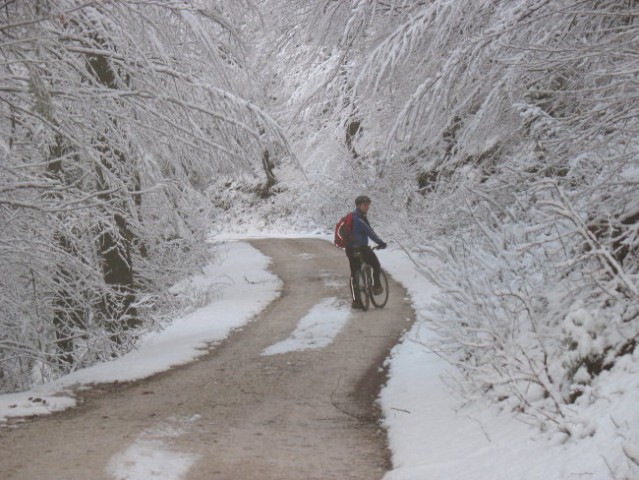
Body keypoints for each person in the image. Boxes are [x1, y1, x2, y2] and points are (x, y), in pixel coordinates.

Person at [345, 195, 387, 309]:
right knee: (376, 265)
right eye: (365, 204)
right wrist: (381, 243)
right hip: (361, 248)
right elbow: (370, 233)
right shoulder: (359, 218)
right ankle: (377, 286)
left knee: (354, 274)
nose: (367, 207)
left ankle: (356, 301)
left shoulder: (351, 217)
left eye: (368, 204)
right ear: (358, 206)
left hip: (349, 249)